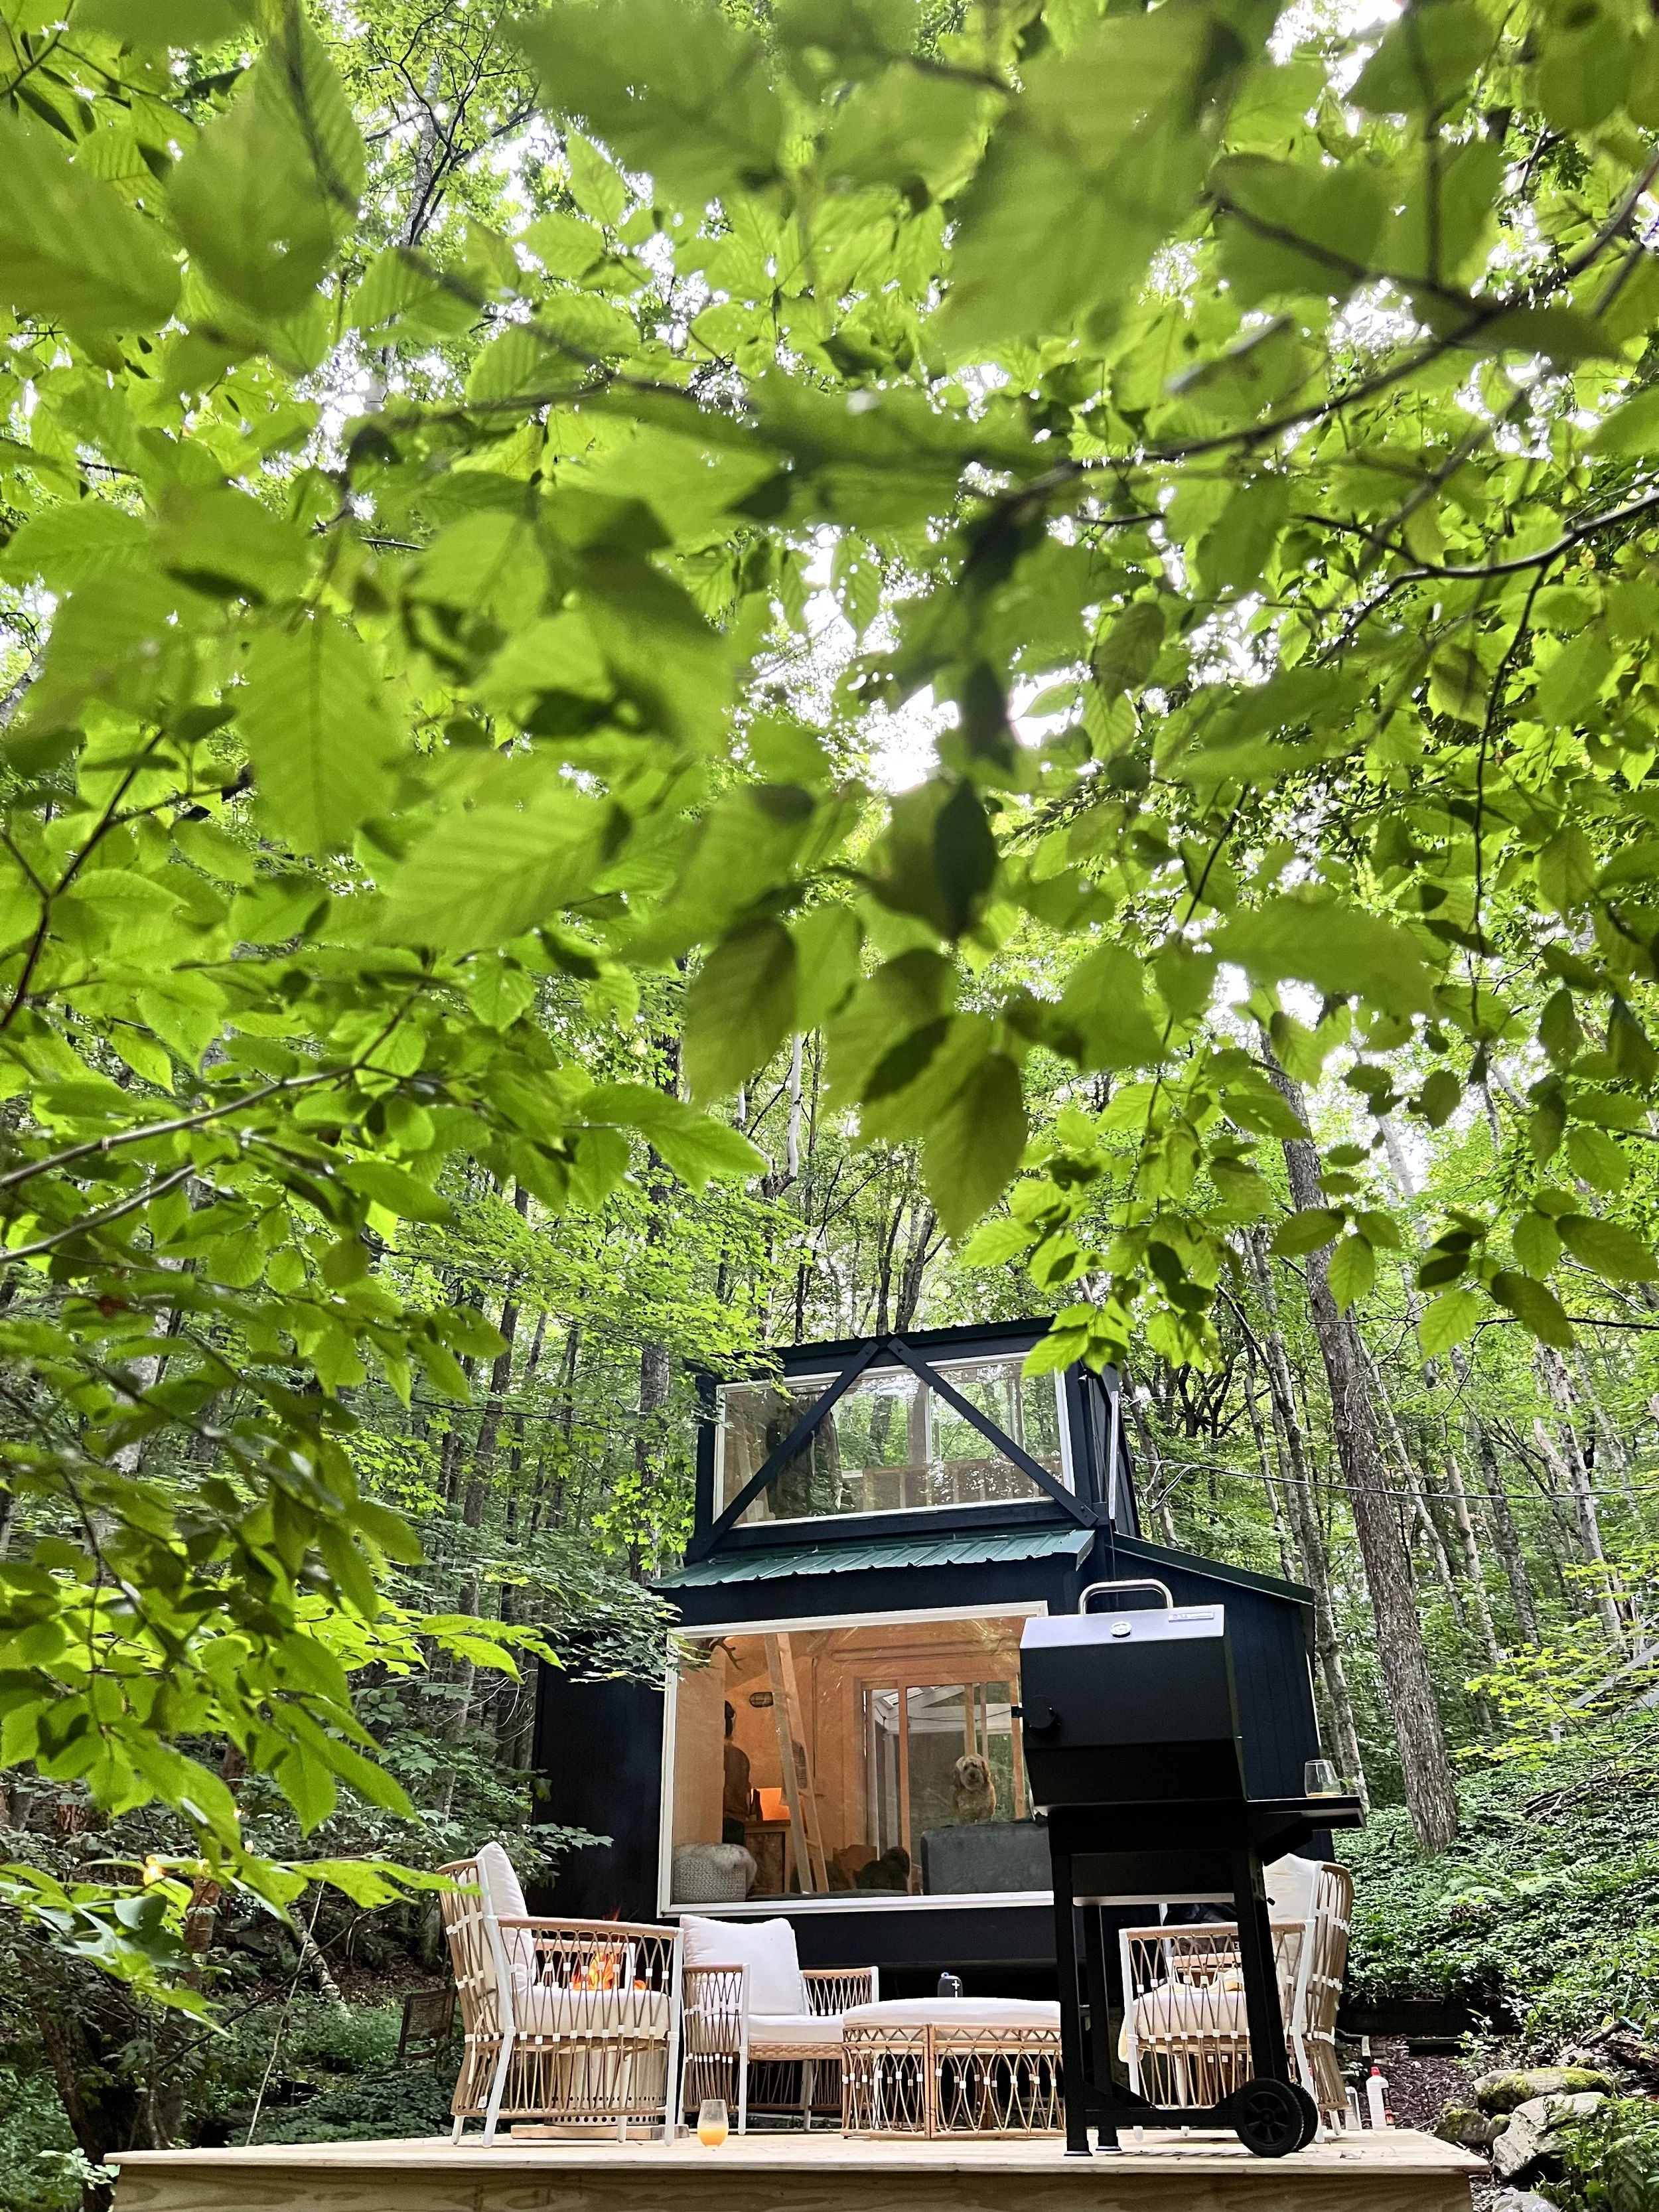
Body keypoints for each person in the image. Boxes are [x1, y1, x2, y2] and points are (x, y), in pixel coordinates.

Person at [722, 1702, 752, 1846]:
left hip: (716, 1820)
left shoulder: (713, 1755)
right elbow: (746, 1793)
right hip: (738, 1823)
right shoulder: (741, 1756)